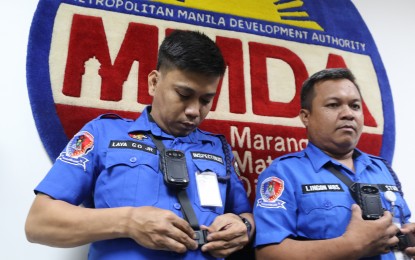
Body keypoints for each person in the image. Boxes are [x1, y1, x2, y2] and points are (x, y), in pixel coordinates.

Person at [25, 30, 255, 260]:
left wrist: (243, 226)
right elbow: (39, 223)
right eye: (184, 94)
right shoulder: (103, 134)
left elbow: (245, 216)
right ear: (154, 82)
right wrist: (128, 222)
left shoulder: (218, 148)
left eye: (206, 100)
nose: (195, 111)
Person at [253, 68, 414, 259]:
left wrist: (408, 239)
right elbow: (267, 254)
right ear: (306, 116)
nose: (348, 114)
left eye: (355, 106)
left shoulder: (382, 169)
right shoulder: (283, 173)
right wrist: (352, 245)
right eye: (333, 105)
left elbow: (400, 228)